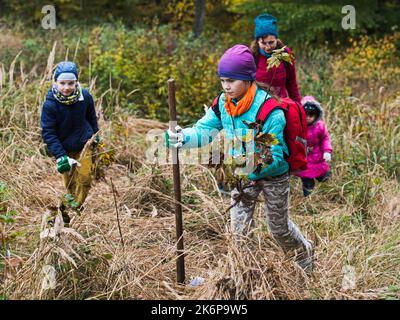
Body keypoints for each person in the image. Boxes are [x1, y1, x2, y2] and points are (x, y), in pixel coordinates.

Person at [165, 45, 314, 274]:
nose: (226, 86)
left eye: (232, 81)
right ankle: (248, 274)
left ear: (248, 79)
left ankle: (304, 255)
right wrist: (182, 137)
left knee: (278, 229)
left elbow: (273, 157)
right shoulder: (223, 104)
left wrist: (245, 166)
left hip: (273, 176)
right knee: (239, 232)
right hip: (242, 176)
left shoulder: (269, 110)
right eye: (223, 80)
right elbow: (204, 130)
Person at [41, 61, 99, 224]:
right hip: (64, 149)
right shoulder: (50, 105)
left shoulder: (85, 96)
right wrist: (60, 156)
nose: (66, 87)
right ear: (55, 82)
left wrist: (95, 136)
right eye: (62, 83)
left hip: (84, 145)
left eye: (71, 83)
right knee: (70, 183)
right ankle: (63, 212)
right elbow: (48, 133)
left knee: (85, 179)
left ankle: (71, 209)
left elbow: (91, 117)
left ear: (76, 82)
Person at [250, 14, 301, 103]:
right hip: (260, 104)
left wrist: (298, 106)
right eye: (263, 43)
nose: (268, 47)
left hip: (281, 103)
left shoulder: (285, 54)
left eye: (271, 42)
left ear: (277, 39)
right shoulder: (253, 57)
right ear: (257, 41)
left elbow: (292, 84)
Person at [296, 96, 332, 197]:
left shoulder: (320, 127)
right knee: (307, 180)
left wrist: (327, 151)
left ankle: (328, 188)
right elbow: (293, 140)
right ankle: (308, 197)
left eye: (311, 115)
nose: (308, 117)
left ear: (316, 115)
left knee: (323, 176)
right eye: (305, 114)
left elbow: (325, 139)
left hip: (318, 157)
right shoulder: (298, 127)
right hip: (304, 159)